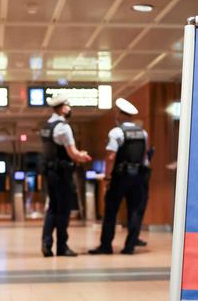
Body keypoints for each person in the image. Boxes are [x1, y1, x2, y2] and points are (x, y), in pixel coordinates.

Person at [89, 97, 148, 255]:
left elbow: (110, 157)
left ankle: (106, 246)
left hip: (120, 177)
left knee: (111, 211)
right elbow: (144, 157)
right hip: (138, 178)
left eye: (117, 113)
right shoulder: (143, 133)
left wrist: (107, 177)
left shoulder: (117, 132)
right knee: (134, 210)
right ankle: (130, 247)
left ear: (121, 115)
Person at [40, 96, 91, 257]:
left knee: (52, 209)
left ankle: (47, 244)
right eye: (68, 106)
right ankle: (62, 246)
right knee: (63, 210)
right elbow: (72, 153)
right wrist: (83, 156)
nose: (70, 109)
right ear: (62, 108)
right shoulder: (63, 127)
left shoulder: (46, 126)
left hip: (50, 172)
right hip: (62, 173)